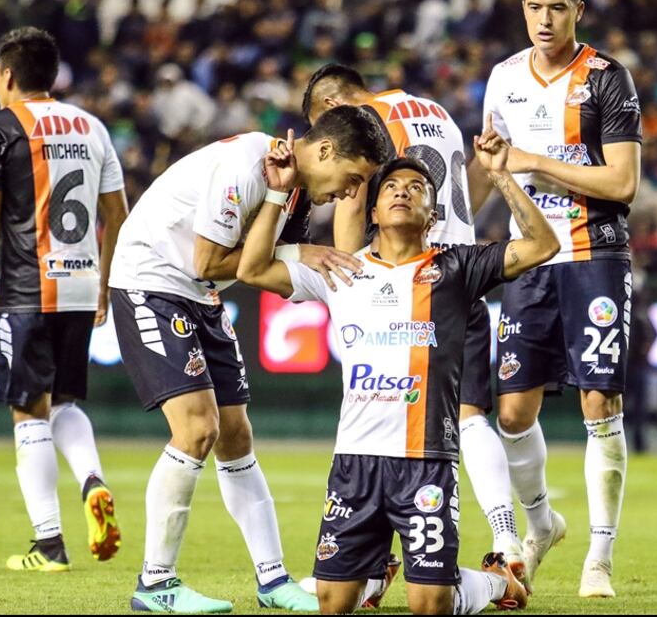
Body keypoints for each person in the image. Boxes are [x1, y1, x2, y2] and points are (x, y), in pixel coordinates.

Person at [236, 131, 556, 614]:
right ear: (374, 211)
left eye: (416, 187)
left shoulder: (457, 267)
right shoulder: (340, 270)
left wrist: (499, 175)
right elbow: (251, 268)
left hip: (425, 460)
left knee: (430, 605)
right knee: (332, 602)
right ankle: (380, 568)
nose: (402, 191)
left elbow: (542, 244)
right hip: (355, 464)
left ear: (434, 213)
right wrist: (279, 193)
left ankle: (495, 584)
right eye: (390, 187)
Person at [108, 105, 392, 613]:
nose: (351, 193)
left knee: (236, 434)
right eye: (353, 178)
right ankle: (155, 583)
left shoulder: (292, 188)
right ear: (325, 150)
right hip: (151, 279)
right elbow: (209, 260)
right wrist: (298, 250)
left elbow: (259, 265)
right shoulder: (246, 165)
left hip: (202, 294)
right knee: (196, 430)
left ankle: (273, 581)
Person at [302, 64, 526, 584]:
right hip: (457, 272)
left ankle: (374, 566)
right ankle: (505, 536)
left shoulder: (363, 123)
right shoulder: (435, 111)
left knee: (383, 415)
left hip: (401, 280)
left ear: (334, 109)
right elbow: (467, 194)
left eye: (320, 129)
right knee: (468, 415)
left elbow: (354, 202)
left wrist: (350, 279)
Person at [473, 0, 642, 598]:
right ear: (523, 9)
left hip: (595, 254)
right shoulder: (503, 78)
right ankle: (543, 523)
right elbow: (494, 165)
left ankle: (599, 557)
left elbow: (622, 183)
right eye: (535, 7)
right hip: (528, 259)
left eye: (558, 8)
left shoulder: (606, 79)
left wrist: (535, 161)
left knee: (601, 404)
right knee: (512, 413)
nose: (545, 19)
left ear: (578, 10)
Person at [0, 27, 129, 572]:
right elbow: (116, 216)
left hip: (26, 288)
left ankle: (48, 544)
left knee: (27, 412)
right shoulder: (93, 127)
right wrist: (105, 283)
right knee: (64, 404)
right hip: (81, 286)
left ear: (6, 76)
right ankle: (92, 479)